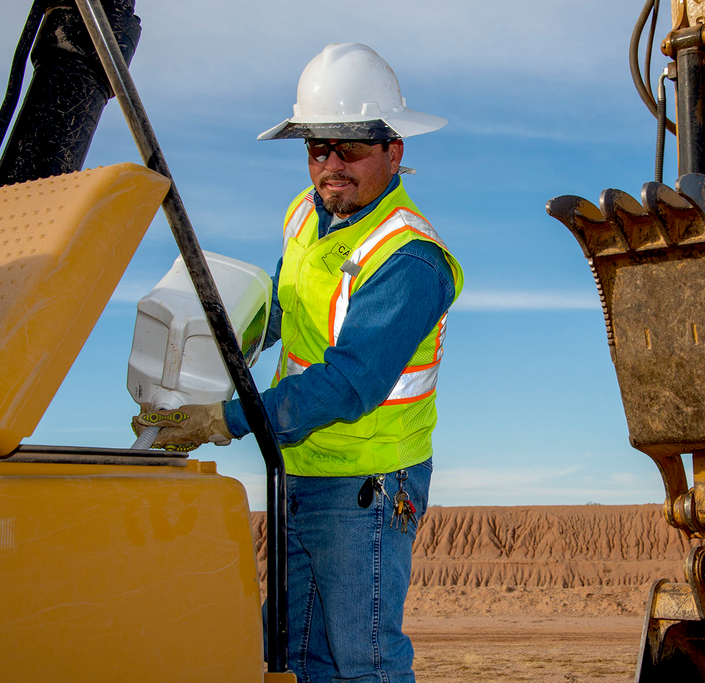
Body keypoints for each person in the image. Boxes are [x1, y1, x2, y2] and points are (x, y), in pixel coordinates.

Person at [133, 43, 463, 683]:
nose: (331, 166)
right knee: (291, 656)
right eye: (317, 148)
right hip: (297, 467)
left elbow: (347, 386)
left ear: (394, 150)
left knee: (363, 662)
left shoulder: (410, 259)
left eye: (351, 149)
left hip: (365, 485)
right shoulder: (304, 214)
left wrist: (225, 419)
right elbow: (280, 315)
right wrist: (201, 364)